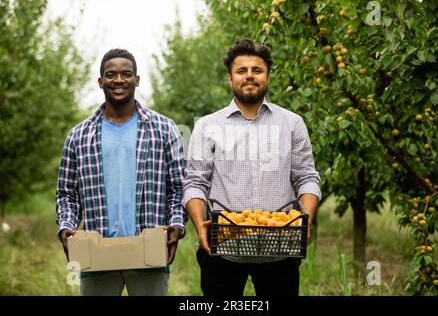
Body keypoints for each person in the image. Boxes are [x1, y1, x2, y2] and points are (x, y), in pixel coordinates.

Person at [183, 39, 321, 296]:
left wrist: (306, 219)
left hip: (280, 247)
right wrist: (200, 223)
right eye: (241, 71)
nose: (249, 76)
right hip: (223, 246)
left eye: (257, 70)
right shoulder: (208, 126)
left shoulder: (292, 123)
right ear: (230, 78)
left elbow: (307, 177)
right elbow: (195, 183)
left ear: (268, 75)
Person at [56, 49, 186, 296]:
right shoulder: (78, 136)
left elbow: (178, 187)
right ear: (100, 82)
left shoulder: (164, 129)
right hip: (97, 255)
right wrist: (66, 227)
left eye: (126, 74)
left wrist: (176, 225)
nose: (118, 80)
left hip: (149, 252)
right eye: (110, 75)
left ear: (137, 80)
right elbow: (66, 194)